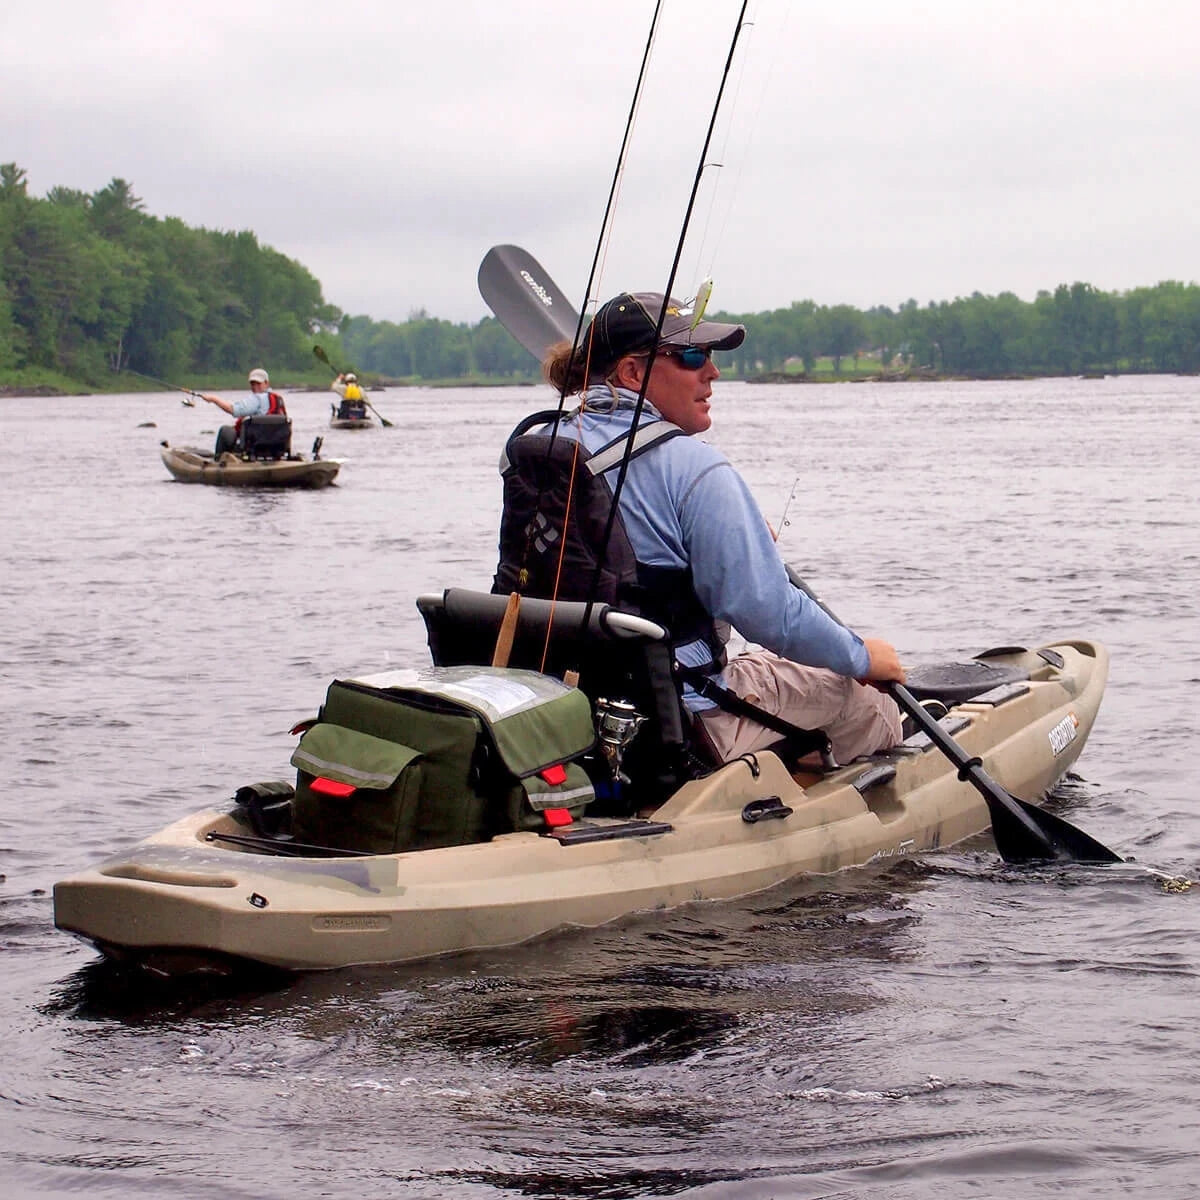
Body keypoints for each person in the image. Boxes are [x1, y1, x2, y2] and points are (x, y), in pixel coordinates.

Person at [496, 291, 905, 764]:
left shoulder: (532, 450)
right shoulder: (695, 469)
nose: (712, 372)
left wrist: (726, 539)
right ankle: (802, 804)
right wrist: (862, 658)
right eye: (692, 356)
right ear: (632, 373)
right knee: (868, 700)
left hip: (562, 704)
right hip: (682, 716)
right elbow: (769, 614)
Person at [200, 367, 287, 457]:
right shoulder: (278, 399)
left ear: (266, 383)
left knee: (225, 431)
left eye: (258, 383)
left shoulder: (257, 398)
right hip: (275, 446)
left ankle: (218, 461)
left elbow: (233, 410)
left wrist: (214, 399)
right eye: (253, 384)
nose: (255, 387)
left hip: (255, 445)